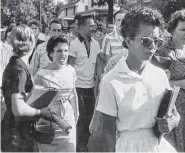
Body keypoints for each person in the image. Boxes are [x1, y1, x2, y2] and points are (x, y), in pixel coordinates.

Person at [88, 7, 180, 152]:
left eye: (157, 41)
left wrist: (171, 122)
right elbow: (108, 134)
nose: (153, 48)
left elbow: (175, 115)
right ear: (128, 41)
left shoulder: (159, 74)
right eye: (146, 41)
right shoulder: (111, 81)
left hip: (157, 146)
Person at [1, 24, 51, 152]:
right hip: (17, 135)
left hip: (15, 130)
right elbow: (18, 108)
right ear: (32, 42)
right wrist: (40, 112)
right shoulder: (20, 70)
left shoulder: (16, 63)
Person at [34, 36, 78, 152]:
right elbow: (36, 103)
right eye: (59, 51)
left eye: (66, 50)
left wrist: (76, 114)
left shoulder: (71, 70)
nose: (63, 54)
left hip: (68, 118)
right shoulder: (41, 75)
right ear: (51, 53)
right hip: (49, 120)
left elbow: (73, 93)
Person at [153, 9, 185, 152]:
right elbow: (155, 83)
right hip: (175, 110)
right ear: (172, 29)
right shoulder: (163, 52)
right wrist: (179, 83)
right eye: (183, 29)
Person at [68, 16, 100, 151]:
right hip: (78, 88)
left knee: (89, 119)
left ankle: (84, 146)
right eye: (91, 26)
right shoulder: (74, 44)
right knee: (79, 119)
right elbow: (69, 67)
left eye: (94, 26)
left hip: (91, 88)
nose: (94, 28)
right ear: (81, 28)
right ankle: (77, 147)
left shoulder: (96, 44)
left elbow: (97, 64)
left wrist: (98, 81)